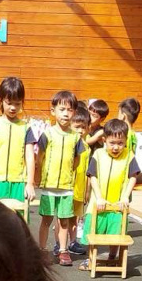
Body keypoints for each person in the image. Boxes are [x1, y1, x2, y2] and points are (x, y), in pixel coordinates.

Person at [78, 118, 138, 271]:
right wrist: (98, 197)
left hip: (118, 204)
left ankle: (112, 257)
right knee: (93, 231)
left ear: (126, 141)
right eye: (112, 143)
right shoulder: (98, 154)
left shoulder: (129, 156)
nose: (116, 147)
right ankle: (90, 258)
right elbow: (93, 176)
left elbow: (133, 176)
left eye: (120, 143)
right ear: (104, 140)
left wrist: (125, 196)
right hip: (98, 203)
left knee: (116, 232)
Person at [38, 90, 86, 267]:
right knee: (46, 220)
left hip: (66, 187)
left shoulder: (76, 138)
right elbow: (39, 157)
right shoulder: (47, 134)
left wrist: (68, 174)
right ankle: (42, 250)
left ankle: (64, 251)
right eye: (62, 109)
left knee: (64, 221)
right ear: (53, 111)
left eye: (70, 110)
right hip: (49, 186)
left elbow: (77, 160)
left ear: (74, 112)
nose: (66, 113)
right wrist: (39, 177)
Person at [0, 76, 36, 203]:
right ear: (1, 100)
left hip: (19, 183)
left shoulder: (26, 128)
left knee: (18, 215)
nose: (13, 108)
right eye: (9, 103)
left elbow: (30, 157)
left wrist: (30, 183)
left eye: (17, 103)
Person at [69, 104, 91, 255]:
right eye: (77, 127)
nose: (81, 130)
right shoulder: (69, 144)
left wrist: (87, 191)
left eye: (83, 127)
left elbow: (87, 171)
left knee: (75, 218)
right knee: (63, 218)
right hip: (69, 188)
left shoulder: (87, 147)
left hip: (80, 189)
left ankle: (72, 242)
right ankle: (59, 244)